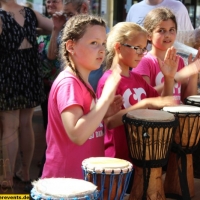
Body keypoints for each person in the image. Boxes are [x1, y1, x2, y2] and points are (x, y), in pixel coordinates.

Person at [96, 22, 178, 192]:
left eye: (144, 48)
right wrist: (143, 105)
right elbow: (110, 121)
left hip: (139, 155)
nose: (142, 53)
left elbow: (161, 103)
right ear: (118, 47)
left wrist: (169, 77)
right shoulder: (108, 80)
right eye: (137, 48)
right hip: (118, 159)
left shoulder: (137, 78)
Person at [41, 14, 123, 179]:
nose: (101, 50)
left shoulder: (80, 81)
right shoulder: (68, 84)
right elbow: (77, 135)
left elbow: (83, 123)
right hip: (65, 184)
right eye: (94, 43)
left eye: (103, 43)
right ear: (71, 46)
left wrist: (102, 114)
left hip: (79, 182)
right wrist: (105, 100)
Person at [0, 0, 52, 188]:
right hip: (30, 71)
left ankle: (6, 176)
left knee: (10, 126)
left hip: (8, 73)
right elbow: (53, 27)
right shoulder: (30, 14)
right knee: (26, 123)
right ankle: (25, 171)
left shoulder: (1, 16)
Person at [133, 7, 200, 104]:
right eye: (161, 30)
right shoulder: (144, 61)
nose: (167, 35)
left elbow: (186, 98)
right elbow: (144, 95)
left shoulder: (179, 60)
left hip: (176, 118)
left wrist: (193, 75)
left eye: (171, 30)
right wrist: (177, 77)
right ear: (149, 35)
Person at [47, 0, 104, 91]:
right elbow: (51, 56)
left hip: (92, 91)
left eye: (71, 15)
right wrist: (56, 29)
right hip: (71, 87)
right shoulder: (66, 30)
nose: (68, 20)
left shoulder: (99, 32)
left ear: (84, 8)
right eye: (66, 15)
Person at [37, 0, 64, 177]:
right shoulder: (47, 24)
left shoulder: (64, 26)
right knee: (48, 126)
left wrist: (55, 30)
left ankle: (52, 165)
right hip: (45, 86)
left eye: (55, 1)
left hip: (59, 86)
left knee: (57, 128)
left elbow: (52, 54)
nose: (50, 3)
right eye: (48, 1)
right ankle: (48, 159)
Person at [126, 0, 196, 47]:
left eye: (171, 30)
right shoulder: (134, 9)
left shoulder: (178, 7)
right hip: (142, 63)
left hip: (174, 63)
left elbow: (190, 40)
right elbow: (128, 42)